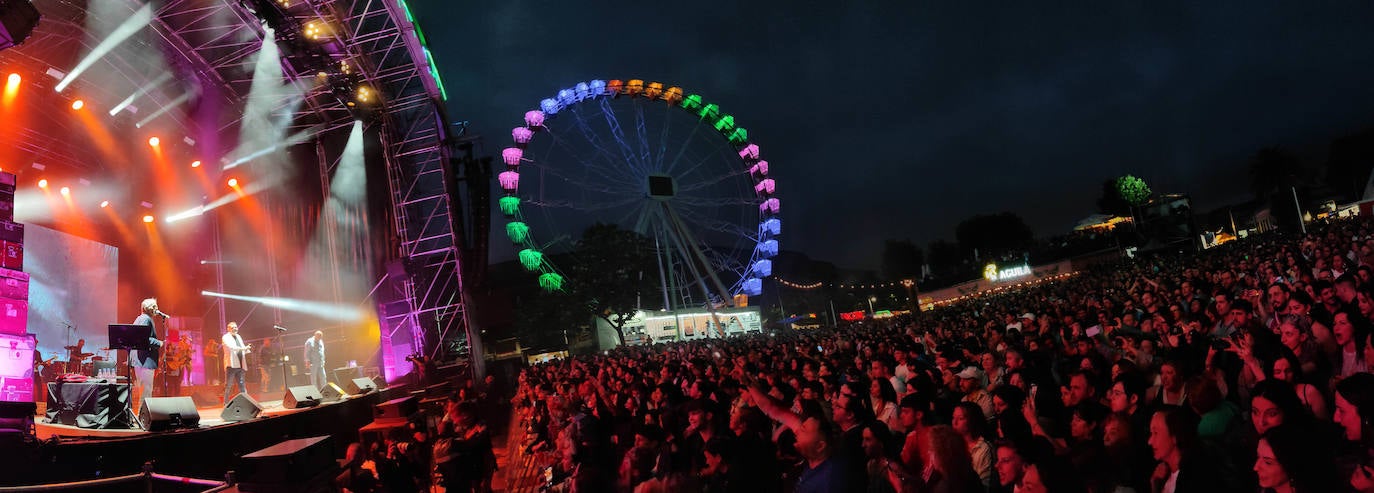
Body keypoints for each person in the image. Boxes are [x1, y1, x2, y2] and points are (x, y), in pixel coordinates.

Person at [131, 299, 165, 413]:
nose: (157, 309)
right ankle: (144, 415)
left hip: (139, 360)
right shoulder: (146, 319)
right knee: (147, 389)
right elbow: (144, 338)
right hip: (145, 360)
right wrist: (159, 343)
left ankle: (142, 414)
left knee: (143, 389)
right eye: (155, 307)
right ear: (150, 308)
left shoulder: (139, 319)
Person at [222, 322, 252, 403]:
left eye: (236, 327)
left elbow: (242, 347)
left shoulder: (238, 336)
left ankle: (246, 402)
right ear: (228, 329)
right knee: (228, 385)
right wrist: (243, 348)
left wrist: (247, 349)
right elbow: (231, 347)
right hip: (231, 365)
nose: (235, 329)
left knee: (242, 384)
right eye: (232, 327)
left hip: (240, 365)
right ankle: (226, 403)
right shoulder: (225, 337)